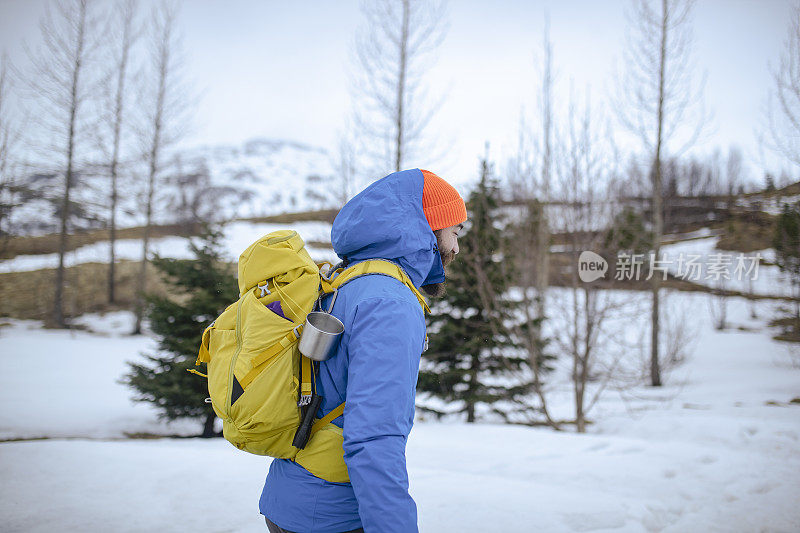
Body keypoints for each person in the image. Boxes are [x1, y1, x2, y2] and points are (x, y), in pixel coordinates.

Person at [259, 168, 467, 533]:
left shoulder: (346, 279)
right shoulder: (390, 302)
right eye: (454, 232)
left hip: (291, 496)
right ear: (427, 229)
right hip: (334, 515)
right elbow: (374, 436)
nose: (456, 248)